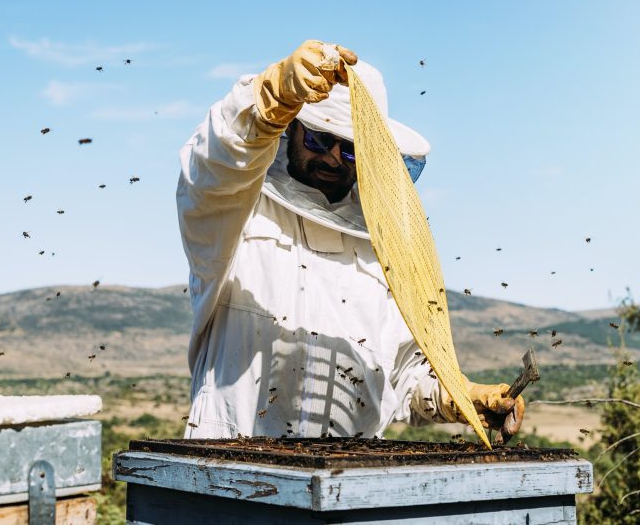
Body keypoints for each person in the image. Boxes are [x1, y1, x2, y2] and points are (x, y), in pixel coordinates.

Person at [176, 40, 524, 441]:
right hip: (232, 469)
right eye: (320, 141)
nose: (331, 159)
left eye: (352, 152)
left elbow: (401, 378)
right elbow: (214, 167)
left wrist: (457, 397)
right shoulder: (237, 214)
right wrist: (269, 98)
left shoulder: (386, 249)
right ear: (292, 129)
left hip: (349, 476)